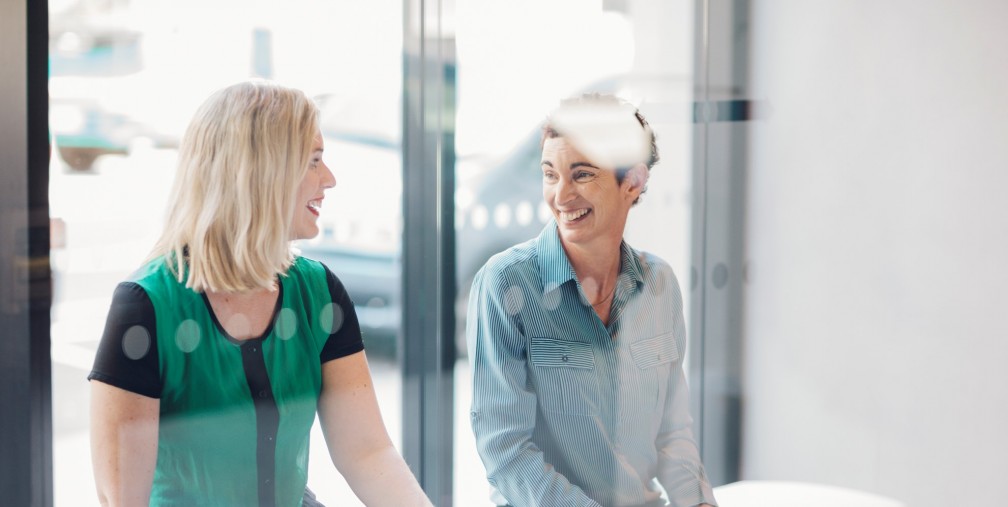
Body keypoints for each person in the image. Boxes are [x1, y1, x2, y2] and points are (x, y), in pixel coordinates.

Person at [88, 80, 432, 507]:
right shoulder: (146, 308)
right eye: (313, 161)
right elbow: (122, 500)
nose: (329, 179)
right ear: (261, 172)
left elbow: (368, 453)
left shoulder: (319, 293)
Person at [466, 93, 718, 507]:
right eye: (550, 175)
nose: (561, 196)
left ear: (632, 182)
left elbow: (672, 434)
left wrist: (700, 501)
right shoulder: (505, 284)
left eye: (581, 174)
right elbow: (505, 452)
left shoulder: (659, 285)